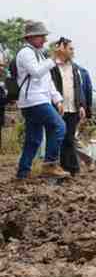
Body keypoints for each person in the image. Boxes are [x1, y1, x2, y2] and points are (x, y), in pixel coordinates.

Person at [14, 20, 69, 180]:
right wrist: (54, 58)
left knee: (34, 139)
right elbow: (37, 72)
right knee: (59, 126)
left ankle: (23, 173)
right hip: (34, 100)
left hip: (35, 100)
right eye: (42, 36)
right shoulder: (26, 53)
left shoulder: (39, 54)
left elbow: (47, 80)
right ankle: (50, 165)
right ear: (31, 37)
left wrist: (57, 99)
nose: (45, 40)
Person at [50, 37, 87, 176]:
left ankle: (71, 168)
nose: (73, 51)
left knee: (69, 138)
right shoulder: (52, 67)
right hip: (57, 108)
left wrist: (82, 105)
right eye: (70, 48)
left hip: (73, 108)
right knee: (59, 137)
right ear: (62, 49)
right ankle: (60, 166)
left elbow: (78, 88)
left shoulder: (75, 67)